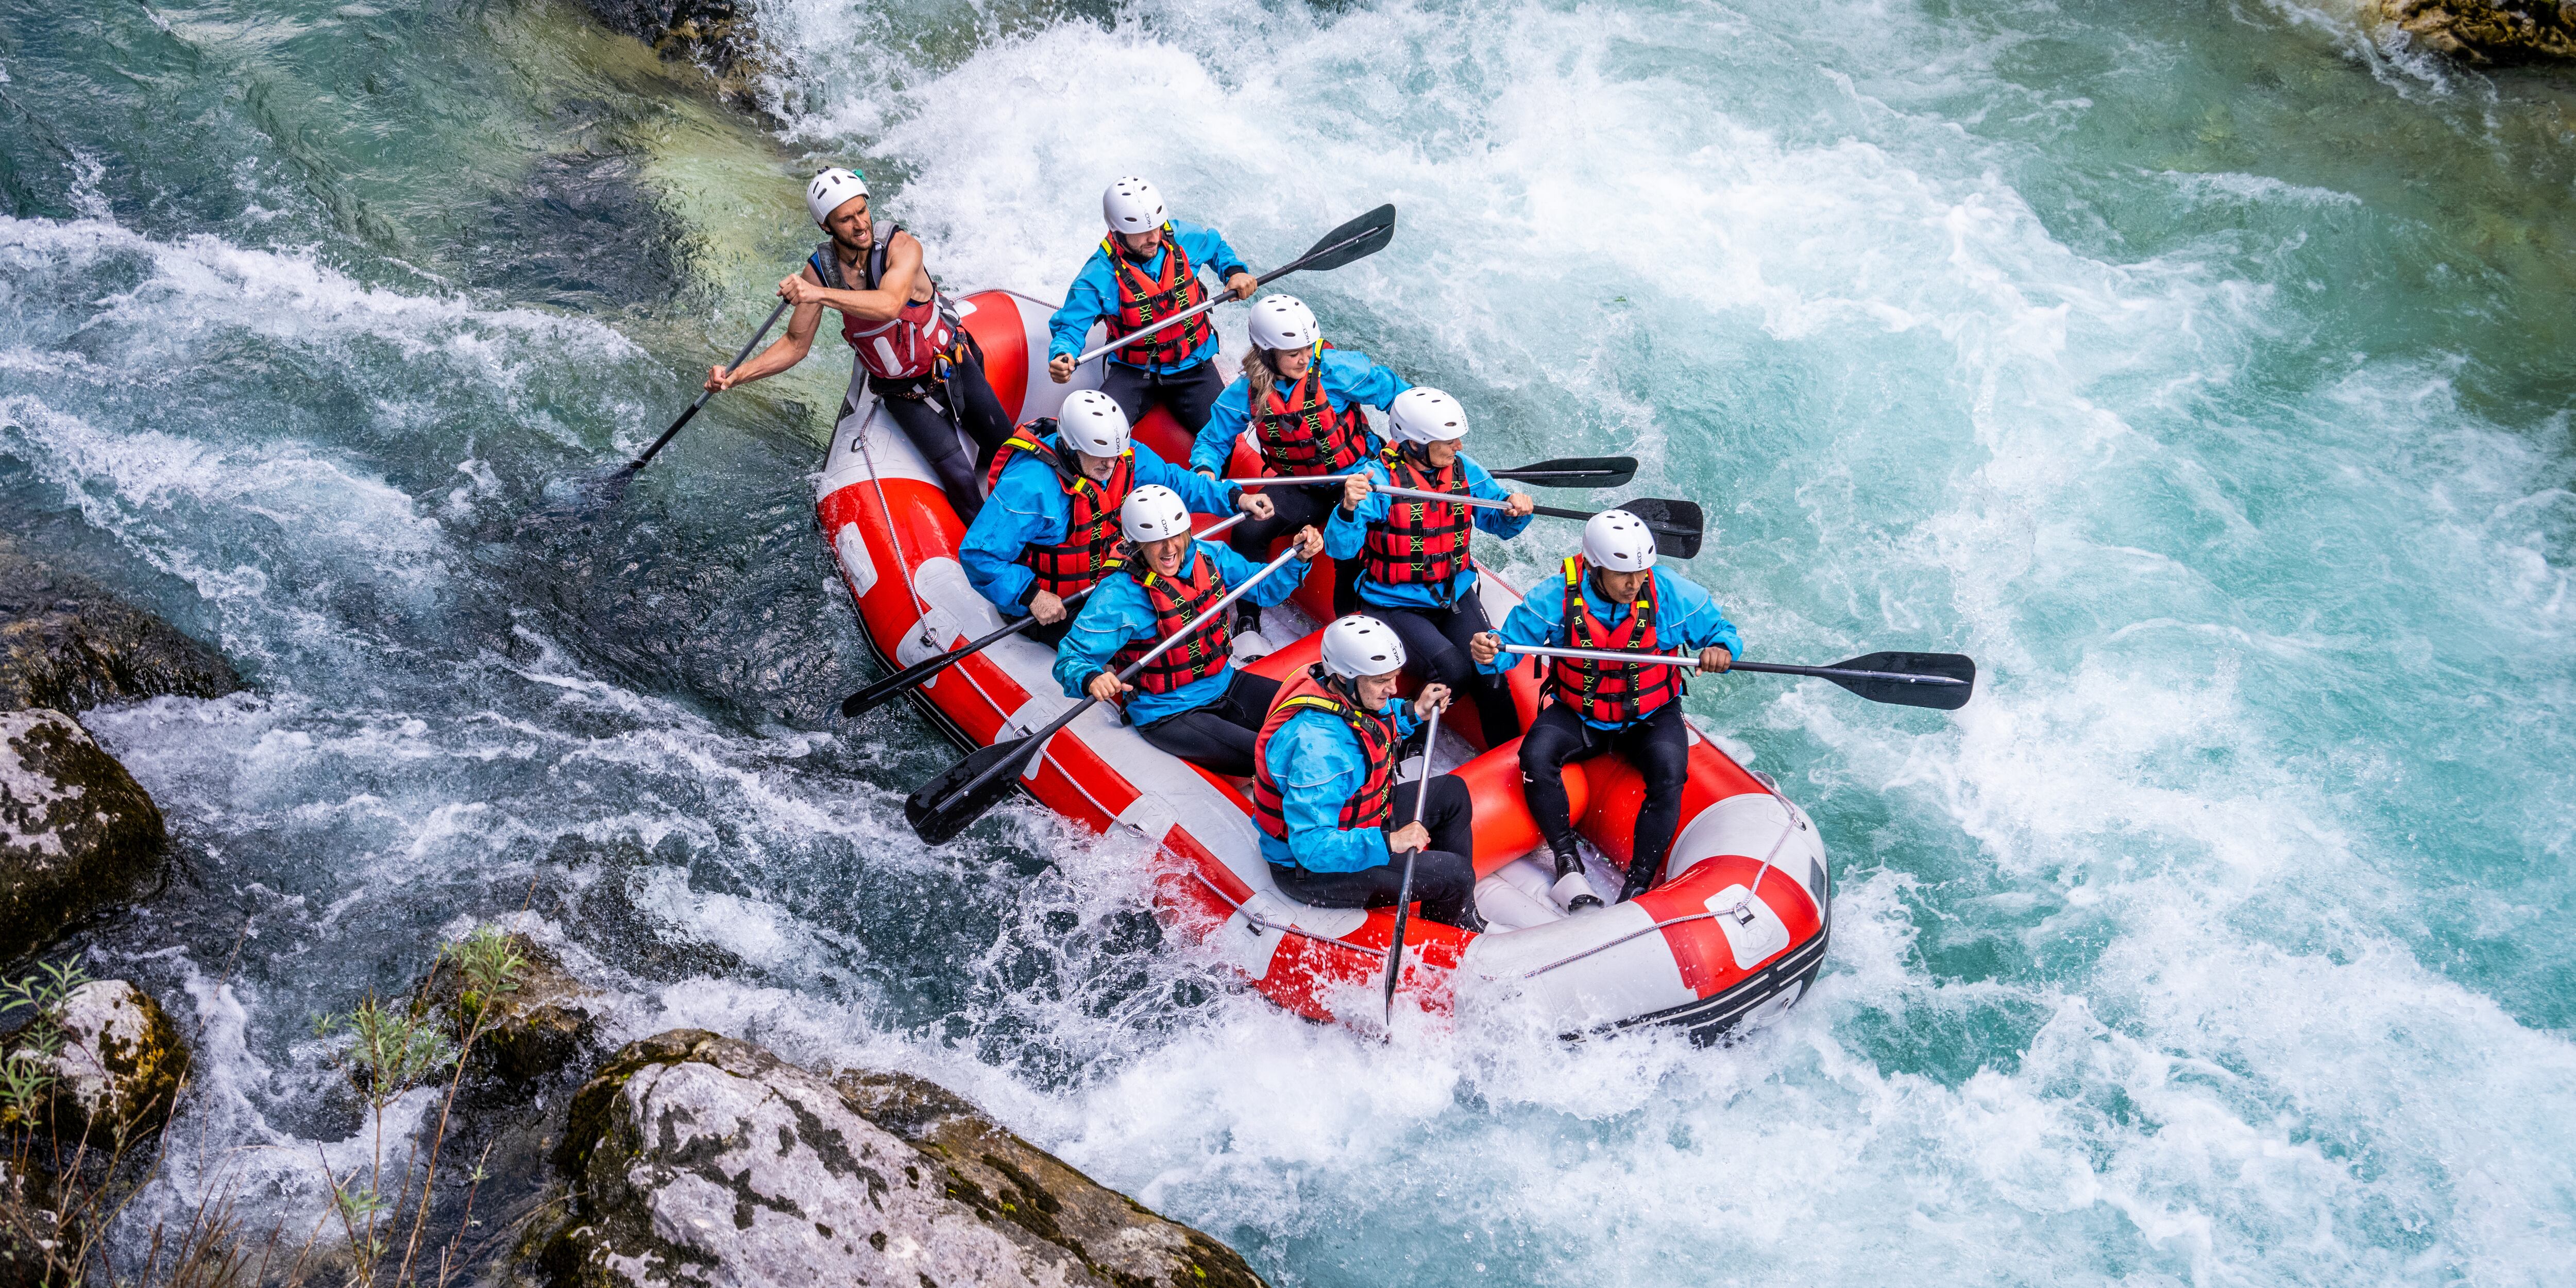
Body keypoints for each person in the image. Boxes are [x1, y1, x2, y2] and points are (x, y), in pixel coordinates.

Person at [1469, 511, 1741, 909]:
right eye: (1623, 574)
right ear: (1594, 568)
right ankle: (1566, 858)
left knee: (1670, 774)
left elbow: (1722, 632)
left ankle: (1639, 882)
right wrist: (1487, 652)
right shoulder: (1555, 596)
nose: (1635, 583)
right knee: (1535, 756)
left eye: (1641, 572)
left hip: (1651, 715)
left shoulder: (1670, 593)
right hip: (1580, 714)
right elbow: (1507, 650)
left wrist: (1721, 650)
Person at [708, 167, 1011, 519]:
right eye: (846, 219)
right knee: (959, 478)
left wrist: (817, 294)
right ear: (826, 226)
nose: (860, 224)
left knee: (1007, 454)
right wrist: (734, 376)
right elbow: (795, 343)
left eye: (862, 211)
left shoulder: (903, 247)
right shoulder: (821, 271)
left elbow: (889, 304)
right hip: (902, 393)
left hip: (954, 367)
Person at [962, 391, 1268, 646]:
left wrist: (1235, 498)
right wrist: (1031, 596)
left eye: (1115, 453)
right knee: (1125, 656)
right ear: (1071, 446)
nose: (1111, 463)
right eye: (1100, 455)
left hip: (1107, 581)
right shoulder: (1029, 489)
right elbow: (980, 555)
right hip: (1055, 602)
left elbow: (1175, 482)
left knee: (1180, 619)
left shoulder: (1121, 456)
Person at [1053, 486, 1320, 776]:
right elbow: (1071, 657)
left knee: (1315, 716)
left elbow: (1265, 588)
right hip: (1169, 713)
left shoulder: (1208, 557)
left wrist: (1299, 559)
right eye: (1157, 541)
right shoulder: (1117, 596)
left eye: (1175, 536)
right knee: (1281, 760)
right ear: (1137, 543)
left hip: (1226, 683)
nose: (1169, 550)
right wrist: (1092, 678)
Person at [1323, 387, 1534, 747]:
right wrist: (1348, 508)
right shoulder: (1378, 482)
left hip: (1452, 594)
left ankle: (1514, 760)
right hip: (1394, 603)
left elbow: (1498, 523)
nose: (1459, 448)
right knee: (1452, 670)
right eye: (1449, 441)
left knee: (1492, 672)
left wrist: (1515, 509)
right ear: (1417, 443)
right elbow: (1340, 548)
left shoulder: (1466, 472)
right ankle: (1407, 744)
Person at [1251, 615, 1485, 931]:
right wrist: (1391, 841)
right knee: (1457, 874)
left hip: (1358, 823)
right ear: (1347, 677)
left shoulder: (1340, 692)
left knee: (1452, 793)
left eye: (1395, 676)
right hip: (1315, 872)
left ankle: (1457, 914)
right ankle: (1444, 938)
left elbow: (1372, 726)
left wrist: (1415, 709)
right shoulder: (1318, 750)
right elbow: (1312, 848)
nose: (1393, 688)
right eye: (1381, 681)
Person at [1188, 294, 1406, 629]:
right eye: (1294, 354)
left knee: (1352, 549)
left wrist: (1407, 445)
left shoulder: (1335, 370)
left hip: (1358, 479)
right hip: (1303, 487)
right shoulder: (1247, 393)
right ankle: (1248, 618)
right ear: (1267, 352)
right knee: (1248, 530)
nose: (1305, 358)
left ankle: (1353, 625)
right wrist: (1205, 469)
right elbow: (1212, 441)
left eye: (1309, 348)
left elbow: (1395, 394)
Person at [1045, 176, 1258, 434]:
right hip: (1134, 372)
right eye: (1141, 233)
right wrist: (1062, 355)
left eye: (1156, 227)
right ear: (1117, 233)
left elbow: (1215, 246)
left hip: (1194, 366)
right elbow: (1069, 328)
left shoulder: (1177, 237)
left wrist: (1234, 271)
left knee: (1228, 441)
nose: (1153, 237)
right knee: (1098, 431)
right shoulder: (1098, 275)